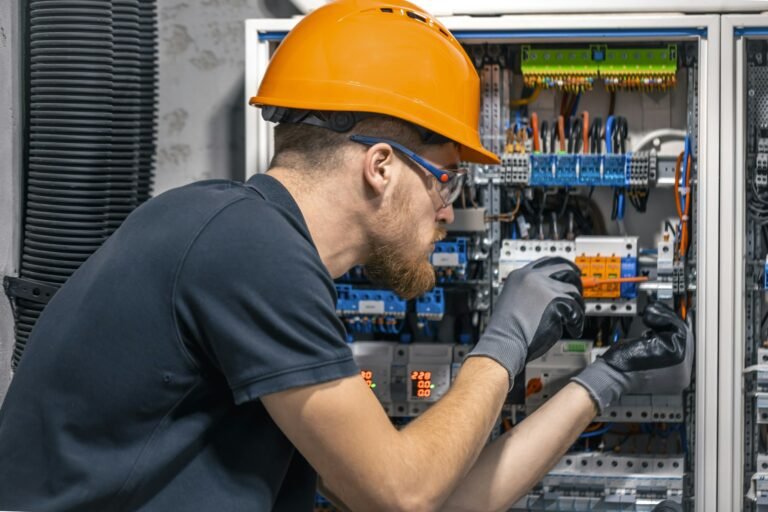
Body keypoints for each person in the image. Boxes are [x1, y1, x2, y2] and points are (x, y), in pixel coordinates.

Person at [0, 1, 692, 510]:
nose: (452, 211)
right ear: (382, 168)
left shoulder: (254, 251)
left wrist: (603, 381)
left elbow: (436, 499)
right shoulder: (244, 244)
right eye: (446, 179)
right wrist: (505, 341)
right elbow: (405, 492)